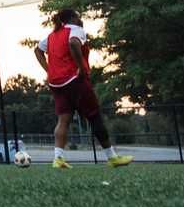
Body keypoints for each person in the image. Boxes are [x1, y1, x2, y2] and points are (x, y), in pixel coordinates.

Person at [34, 9, 133, 169]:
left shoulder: (52, 35)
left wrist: (49, 70)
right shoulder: (76, 30)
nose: (81, 20)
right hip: (75, 80)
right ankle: (112, 157)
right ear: (72, 18)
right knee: (94, 116)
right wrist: (80, 67)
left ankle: (58, 158)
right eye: (78, 17)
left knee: (63, 120)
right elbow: (73, 42)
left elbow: (37, 50)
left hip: (56, 83)